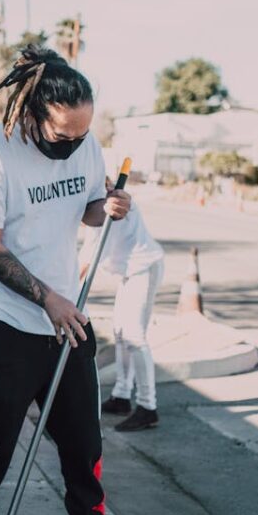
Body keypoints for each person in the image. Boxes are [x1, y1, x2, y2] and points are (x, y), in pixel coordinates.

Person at [0, 46, 132, 515]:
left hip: (67, 318)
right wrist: (46, 298)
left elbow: (89, 211)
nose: (73, 145)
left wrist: (110, 207)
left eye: (81, 136)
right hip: (6, 318)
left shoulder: (84, 144)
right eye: (62, 137)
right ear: (31, 113)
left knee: (83, 434)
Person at [80, 183, 165, 432]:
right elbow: (89, 251)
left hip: (144, 268)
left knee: (134, 336)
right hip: (130, 272)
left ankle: (148, 408)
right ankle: (121, 396)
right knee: (120, 333)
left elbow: (91, 256)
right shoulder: (98, 205)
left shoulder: (112, 205)